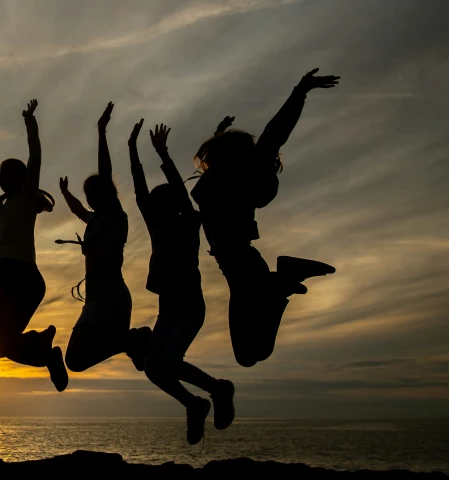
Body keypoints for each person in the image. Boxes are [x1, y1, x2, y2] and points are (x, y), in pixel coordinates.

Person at [191, 68, 340, 368]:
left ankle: (284, 280)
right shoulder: (219, 178)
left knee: (250, 354)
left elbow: (274, 135)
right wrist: (219, 133)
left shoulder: (235, 177)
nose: (207, 160)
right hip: (239, 265)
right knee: (251, 353)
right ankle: (283, 281)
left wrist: (300, 91)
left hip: (241, 264)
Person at [129, 119, 235, 445]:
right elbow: (140, 189)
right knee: (153, 367)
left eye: (162, 203)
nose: (154, 207)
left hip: (188, 305)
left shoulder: (188, 222)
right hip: (171, 308)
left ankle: (213, 392)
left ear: (172, 205)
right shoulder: (159, 227)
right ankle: (198, 401)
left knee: (164, 363)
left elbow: (171, 188)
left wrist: (161, 153)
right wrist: (133, 148)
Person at [0, 99, 69, 392]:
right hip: (11, 279)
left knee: (4, 343)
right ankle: (39, 343)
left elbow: (36, 156)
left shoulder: (27, 199)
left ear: (21, 177)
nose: (1, 178)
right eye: (0, 174)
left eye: (5, 173)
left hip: (22, 278)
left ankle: (47, 356)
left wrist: (30, 120)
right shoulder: (9, 206)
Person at [56, 102, 151, 374]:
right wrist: (64, 193)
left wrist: (101, 130)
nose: (89, 199)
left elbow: (105, 171)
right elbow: (77, 211)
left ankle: (132, 340)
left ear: (105, 194)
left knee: (75, 360)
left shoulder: (114, 216)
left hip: (111, 297)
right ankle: (130, 341)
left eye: (93, 194)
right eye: (87, 196)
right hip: (95, 299)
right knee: (74, 361)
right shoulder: (96, 219)